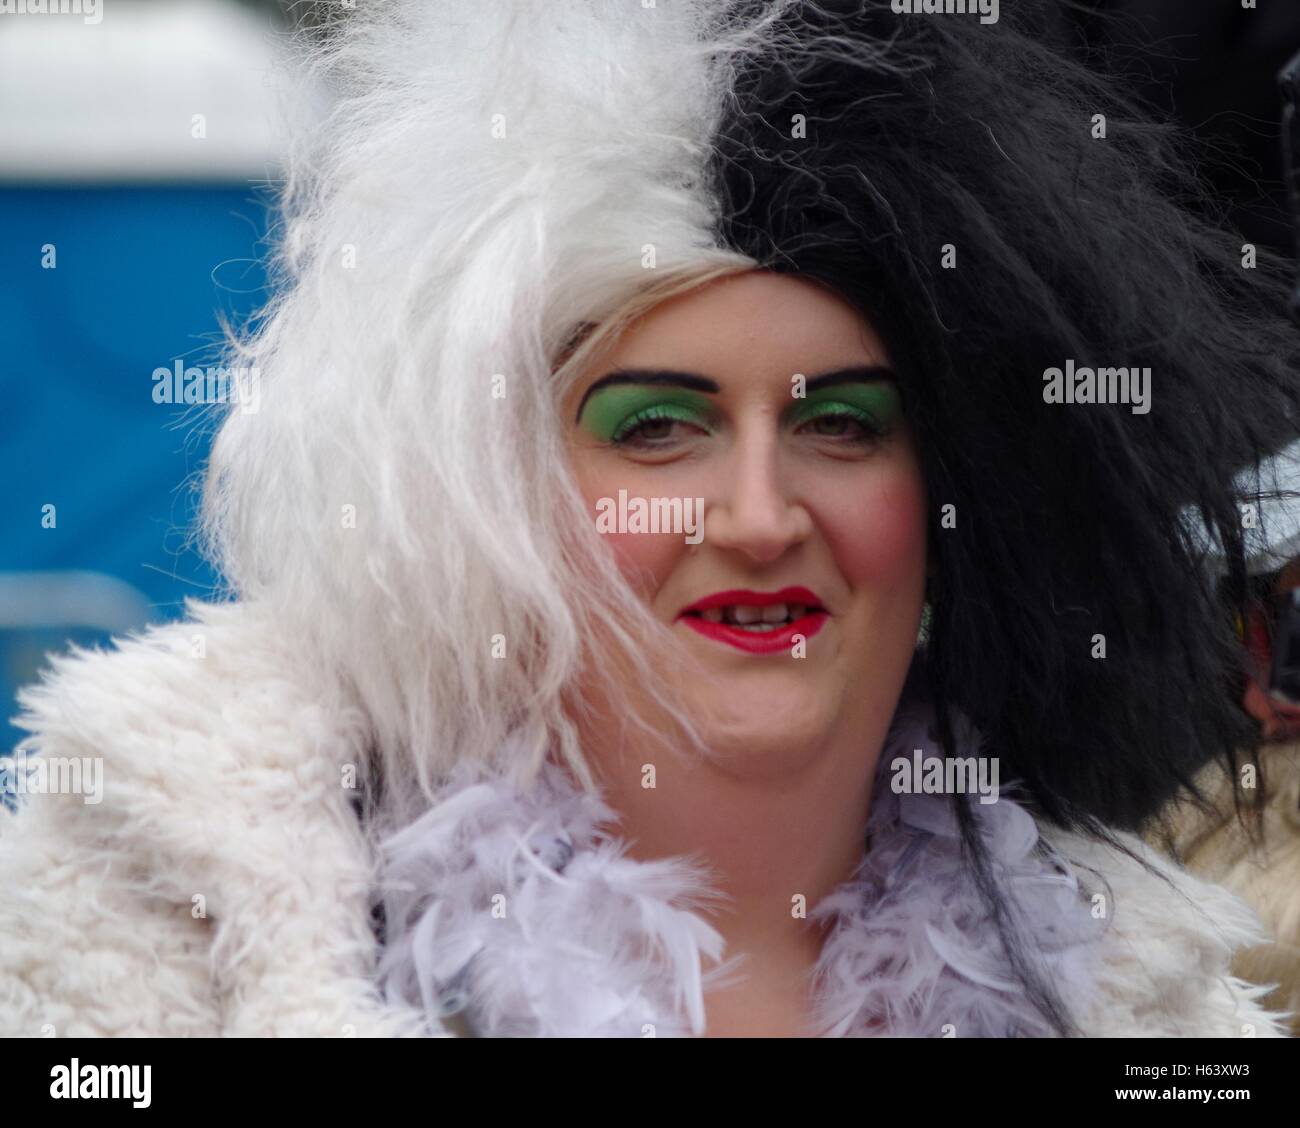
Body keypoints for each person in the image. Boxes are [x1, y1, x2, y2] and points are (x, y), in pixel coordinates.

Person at [3, 0, 1299, 1037]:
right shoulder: (167, 884)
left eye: (840, 424)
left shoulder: (1138, 986)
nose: (755, 515)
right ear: (495, 486)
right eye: (659, 427)